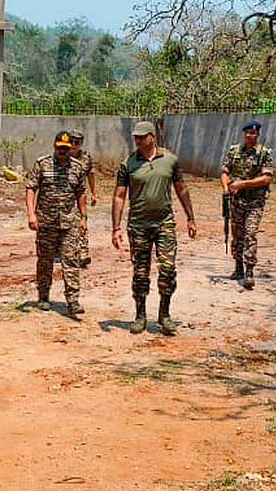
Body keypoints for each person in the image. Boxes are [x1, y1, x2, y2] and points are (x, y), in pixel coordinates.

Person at [111, 121, 196, 335]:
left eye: (142, 137)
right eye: (136, 137)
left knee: (167, 269)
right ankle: (140, 315)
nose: (138, 141)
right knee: (140, 273)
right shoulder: (128, 163)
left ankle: (164, 314)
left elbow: (182, 189)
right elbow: (119, 196)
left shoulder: (170, 160)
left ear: (152, 137)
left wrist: (190, 218)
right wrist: (116, 228)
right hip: (138, 226)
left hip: (164, 223)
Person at [26, 131, 88, 316]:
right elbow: (31, 188)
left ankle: (73, 300)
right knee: (45, 261)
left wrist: (84, 218)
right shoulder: (42, 164)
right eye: (60, 148)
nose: (63, 151)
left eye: (66, 149)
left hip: (70, 222)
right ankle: (43, 296)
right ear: (54, 145)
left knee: (71, 260)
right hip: (46, 222)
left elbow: (81, 192)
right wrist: (31, 214)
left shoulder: (77, 167)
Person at [220, 120, 273, 289]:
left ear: (258, 135)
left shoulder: (264, 153)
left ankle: (249, 271)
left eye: (254, 133)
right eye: (248, 133)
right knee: (237, 234)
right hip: (237, 201)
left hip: (255, 202)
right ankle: (238, 267)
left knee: (250, 233)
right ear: (245, 134)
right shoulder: (234, 151)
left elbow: (266, 178)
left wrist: (243, 184)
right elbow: (224, 172)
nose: (251, 135)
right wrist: (226, 188)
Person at [68, 130, 96, 267]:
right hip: (64, 195)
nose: (74, 145)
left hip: (80, 195)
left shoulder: (86, 158)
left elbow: (91, 175)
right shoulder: (62, 155)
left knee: (82, 221)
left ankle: (83, 252)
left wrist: (94, 193)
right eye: (71, 141)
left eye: (77, 142)